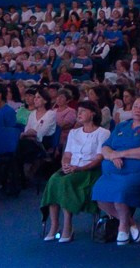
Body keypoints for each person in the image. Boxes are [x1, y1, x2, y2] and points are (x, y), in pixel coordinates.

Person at [93, 92, 140, 246]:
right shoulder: (122, 126)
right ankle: (131, 223)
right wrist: (113, 155)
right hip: (113, 171)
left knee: (121, 192)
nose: (138, 110)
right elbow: (105, 147)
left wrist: (122, 153)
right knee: (99, 193)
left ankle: (122, 227)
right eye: (135, 107)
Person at [40, 101, 106, 242]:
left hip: (89, 171)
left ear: (92, 113)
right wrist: (65, 165)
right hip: (72, 168)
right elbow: (68, 154)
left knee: (66, 181)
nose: (79, 114)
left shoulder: (103, 133)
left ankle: (68, 226)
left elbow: (99, 158)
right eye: (78, 111)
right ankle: (54, 225)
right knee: (53, 180)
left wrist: (79, 168)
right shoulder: (74, 132)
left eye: (83, 111)